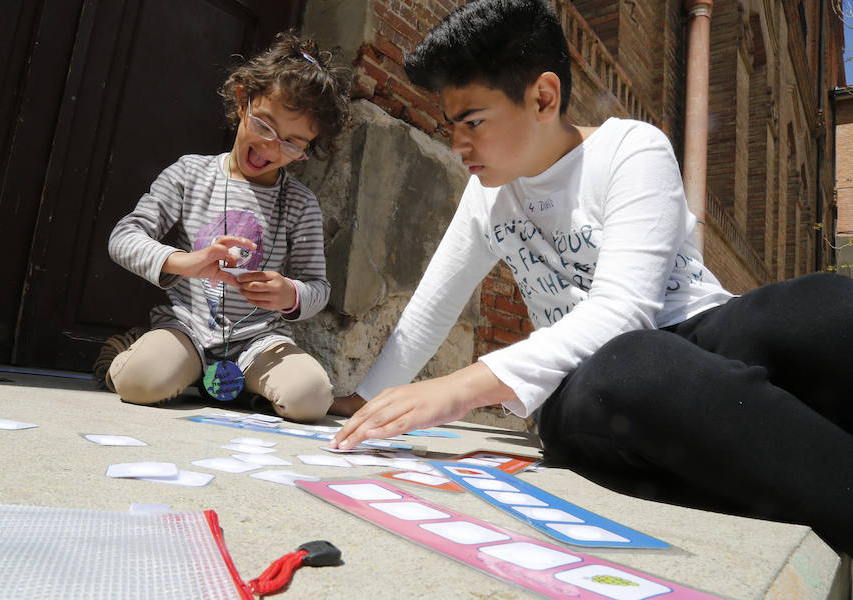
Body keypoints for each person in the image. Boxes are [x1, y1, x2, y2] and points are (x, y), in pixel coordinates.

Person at [329, 0, 853, 554]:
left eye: (473, 122)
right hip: (593, 382)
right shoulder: (486, 198)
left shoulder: (631, 147)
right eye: (451, 125)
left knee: (825, 304)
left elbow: (627, 309)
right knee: (635, 367)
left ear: (543, 98)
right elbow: (429, 313)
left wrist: (459, 387)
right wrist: (363, 399)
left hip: (703, 338)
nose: (459, 145)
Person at [107, 32, 350, 422]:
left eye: (293, 143)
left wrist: (290, 293)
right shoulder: (190, 173)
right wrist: (182, 262)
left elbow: (318, 288)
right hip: (186, 330)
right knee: (140, 382)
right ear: (242, 101)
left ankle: (237, 387)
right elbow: (124, 237)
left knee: (310, 399)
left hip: (259, 340)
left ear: (309, 146)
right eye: (265, 126)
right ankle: (143, 352)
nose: (272, 148)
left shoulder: (301, 203)